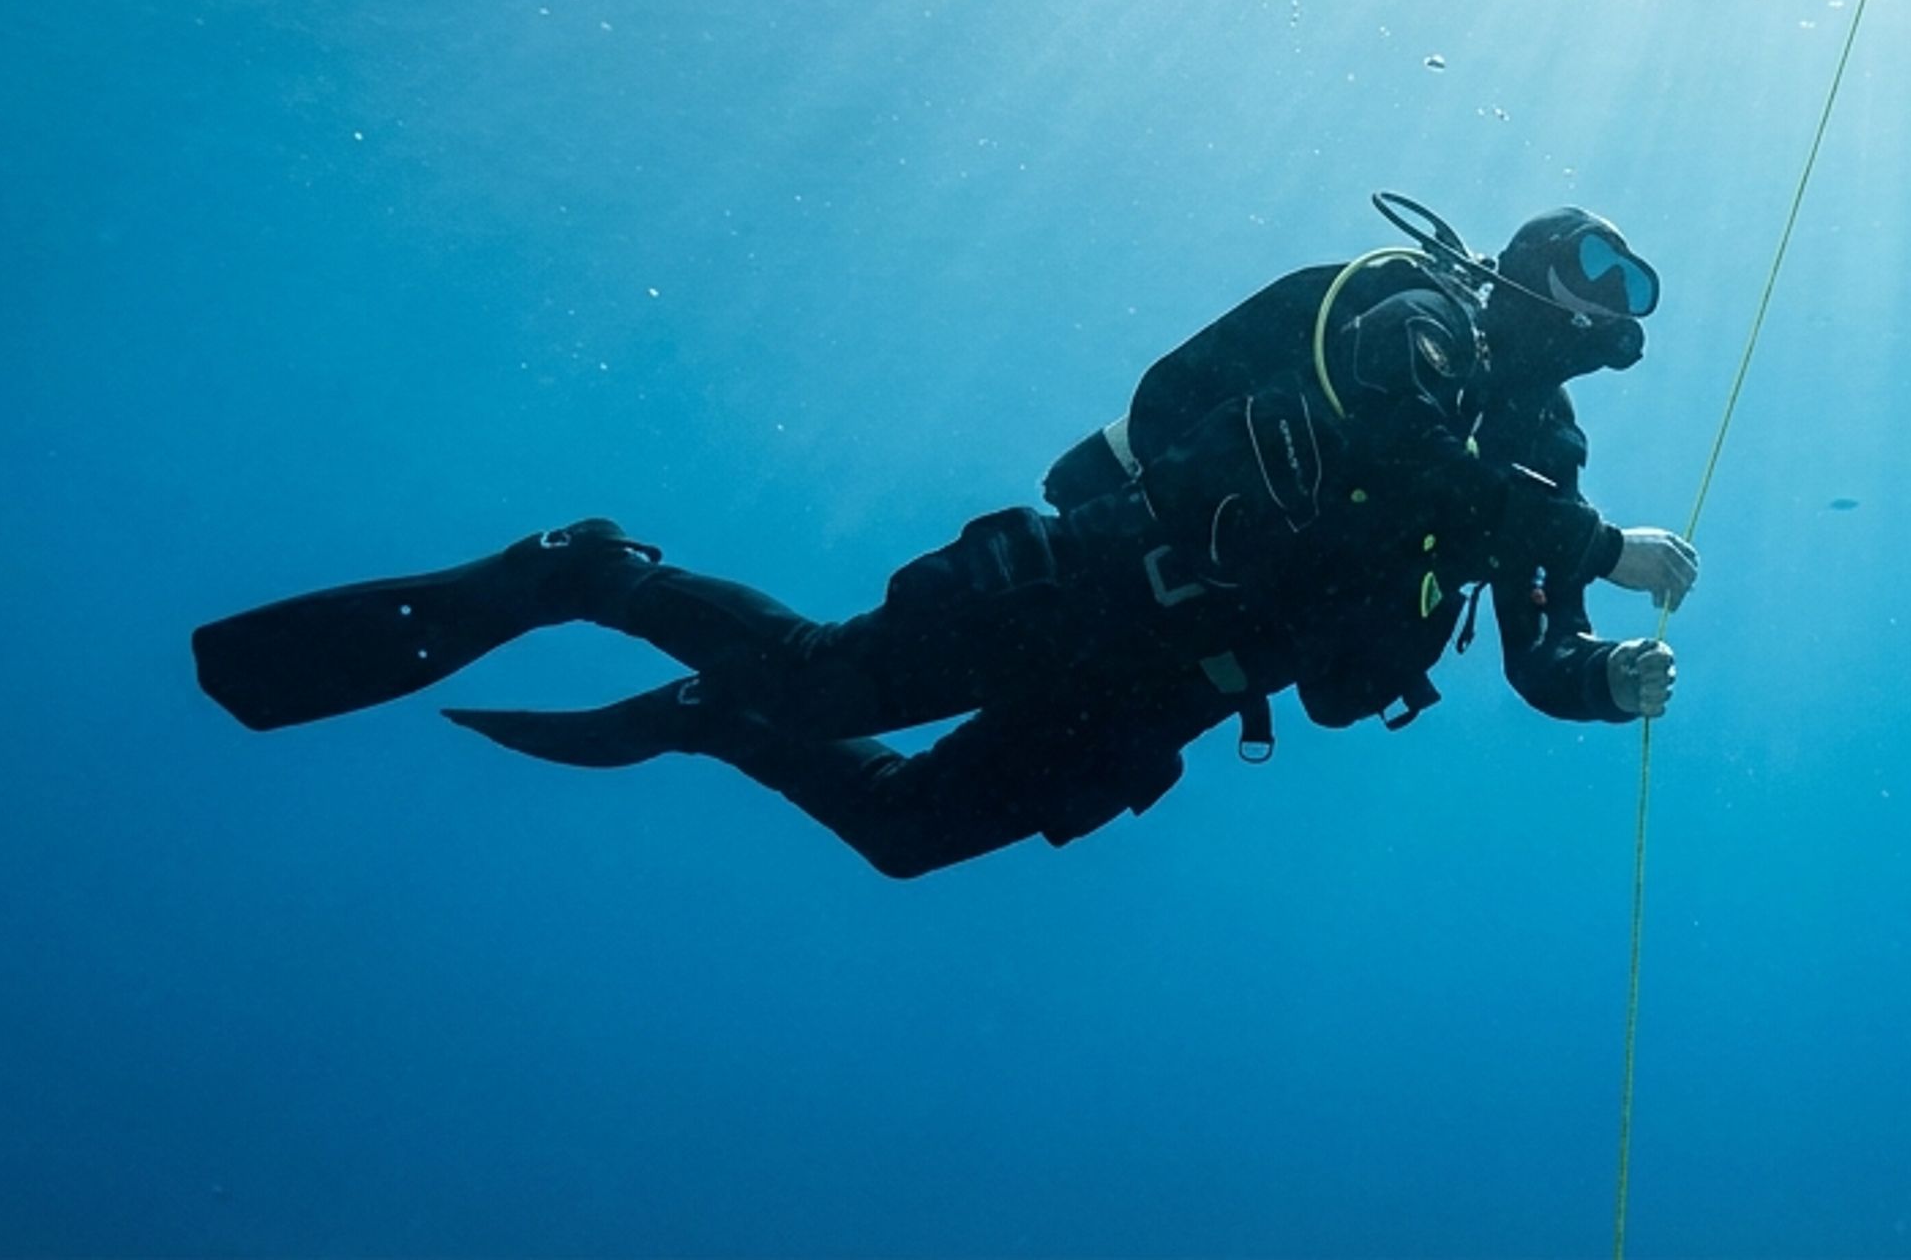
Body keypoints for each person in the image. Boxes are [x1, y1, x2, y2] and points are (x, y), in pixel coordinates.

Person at [190, 198, 1701, 878]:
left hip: (1183, 678)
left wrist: (1605, 677)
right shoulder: (1414, 317)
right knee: (837, 684)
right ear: (1518, 267)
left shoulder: (1544, 460)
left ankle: (711, 723)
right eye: (1591, 259)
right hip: (1098, 582)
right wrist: (1603, 544)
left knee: (908, 838)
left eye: (1631, 287)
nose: (1606, 294)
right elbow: (1399, 451)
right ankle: (592, 572)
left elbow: (1532, 648)